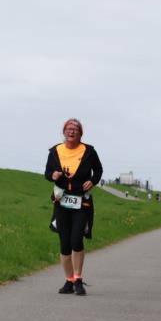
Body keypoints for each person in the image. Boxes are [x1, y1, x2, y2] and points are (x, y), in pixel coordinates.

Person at [45, 118, 103, 296]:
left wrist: (92, 182)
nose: (72, 132)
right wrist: (53, 175)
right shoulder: (55, 151)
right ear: (64, 131)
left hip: (81, 201)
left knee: (76, 240)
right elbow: (47, 173)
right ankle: (68, 280)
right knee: (64, 243)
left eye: (75, 129)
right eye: (69, 129)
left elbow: (98, 170)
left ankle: (78, 279)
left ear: (80, 133)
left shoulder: (89, 151)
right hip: (61, 201)